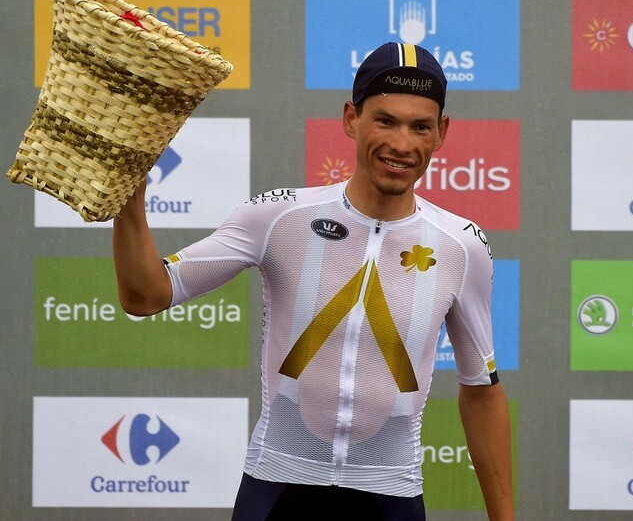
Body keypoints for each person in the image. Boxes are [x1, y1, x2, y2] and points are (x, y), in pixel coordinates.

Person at [113, 41, 513, 520]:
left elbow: (482, 392)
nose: (402, 144)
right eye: (385, 121)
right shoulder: (279, 217)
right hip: (275, 491)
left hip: (391, 496)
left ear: (441, 133)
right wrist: (129, 199)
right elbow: (145, 294)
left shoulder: (461, 246)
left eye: (420, 127)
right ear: (351, 118)